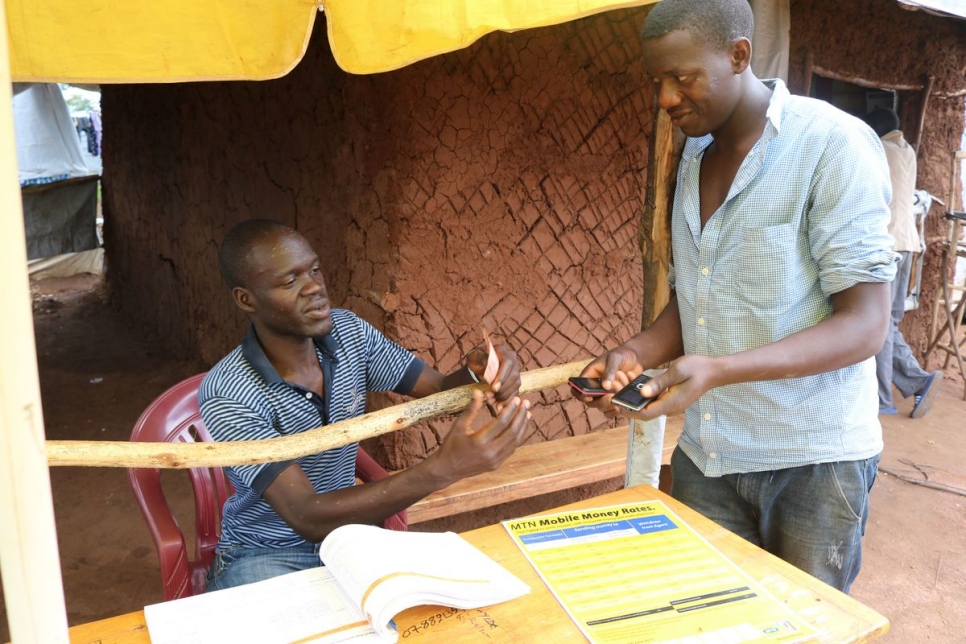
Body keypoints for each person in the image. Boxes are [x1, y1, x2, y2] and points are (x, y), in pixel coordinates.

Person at [573, 0, 896, 593]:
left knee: (803, 628)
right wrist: (638, 350)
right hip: (710, 454)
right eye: (657, 81)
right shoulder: (693, 156)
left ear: (739, 55)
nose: (666, 98)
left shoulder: (832, 146)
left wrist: (718, 371)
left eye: (683, 77)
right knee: (706, 620)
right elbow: (699, 295)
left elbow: (865, 325)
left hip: (813, 464)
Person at [200, 219, 532, 591]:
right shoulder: (229, 392)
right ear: (247, 299)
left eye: (314, 270)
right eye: (290, 282)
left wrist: (478, 371)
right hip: (266, 551)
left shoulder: (349, 334)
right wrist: (443, 468)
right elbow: (305, 516)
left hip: (350, 539)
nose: (315, 288)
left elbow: (440, 392)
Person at [866, 107, 943, 418]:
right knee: (889, 322)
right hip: (908, 243)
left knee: (880, 323)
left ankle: (883, 398)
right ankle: (919, 380)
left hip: (888, 244)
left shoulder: (877, 148)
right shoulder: (907, 149)